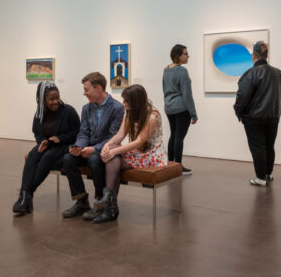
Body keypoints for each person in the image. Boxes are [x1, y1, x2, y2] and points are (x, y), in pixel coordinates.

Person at [95, 84, 167, 223]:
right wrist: (107, 145)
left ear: (136, 101)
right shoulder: (130, 113)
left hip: (150, 153)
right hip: (138, 152)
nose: (124, 103)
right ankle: (109, 203)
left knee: (113, 160)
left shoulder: (152, 116)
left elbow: (139, 142)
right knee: (113, 158)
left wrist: (113, 151)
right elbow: (120, 135)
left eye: (126, 101)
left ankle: (109, 205)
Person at [61, 72, 124, 220]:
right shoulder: (86, 108)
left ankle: (101, 202)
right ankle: (81, 201)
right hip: (87, 149)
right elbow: (83, 133)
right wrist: (78, 146)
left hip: (106, 150)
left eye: (86, 89)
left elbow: (113, 137)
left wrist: (94, 149)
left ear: (99, 88)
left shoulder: (117, 108)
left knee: (95, 159)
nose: (84, 93)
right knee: (68, 159)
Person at [13, 81, 80, 214]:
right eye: (51, 99)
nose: (56, 101)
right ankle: (25, 196)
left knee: (47, 157)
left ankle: (26, 194)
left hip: (65, 146)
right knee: (32, 154)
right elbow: (37, 133)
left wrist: (60, 138)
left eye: (57, 97)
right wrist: (42, 141)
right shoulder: (39, 113)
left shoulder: (68, 111)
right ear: (43, 100)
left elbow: (77, 133)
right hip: (48, 145)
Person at [234, 41, 281, 187]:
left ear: (253, 56)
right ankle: (268, 174)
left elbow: (242, 98)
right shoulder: (278, 73)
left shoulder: (250, 74)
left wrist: (239, 112)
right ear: (266, 55)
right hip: (273, 116)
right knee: (270, 146)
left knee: (258, 147)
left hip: (254, 118)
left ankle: (260, 178)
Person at [162, 44, 197, 175]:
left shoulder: (166, 69)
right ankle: (178, 167)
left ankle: (170, 164)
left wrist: (168, 103)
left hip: (169, 107)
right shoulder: (182, 71)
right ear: (178, 56)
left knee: (173, 135)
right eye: (186, 54)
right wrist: (194, 114)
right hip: (181, 108)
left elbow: (164, 89)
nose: (188, 56)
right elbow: (187, 95)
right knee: (179, 137)